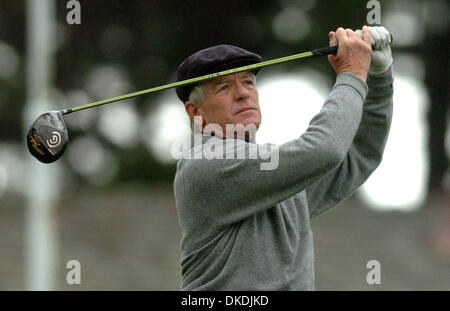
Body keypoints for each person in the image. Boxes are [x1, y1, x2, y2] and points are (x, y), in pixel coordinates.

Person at [173, 26, 393, 290]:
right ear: (195, 112)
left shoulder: (272, 175)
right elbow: (324, 149)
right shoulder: (206, 162)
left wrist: (379, 77)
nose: (243, 93)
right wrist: (352, 74)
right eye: (223, 87)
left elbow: (358, 155)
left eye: (248, 81)